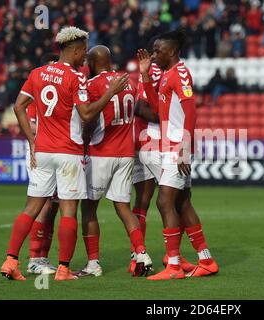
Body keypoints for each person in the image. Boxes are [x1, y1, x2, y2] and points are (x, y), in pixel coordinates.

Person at [0, 26, 129, 281]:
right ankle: (63, 269)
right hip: (68, 153)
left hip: (43, 150)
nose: (85, 59)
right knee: (68, 211)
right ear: (78, 50)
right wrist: (110, 92)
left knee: (31, 208)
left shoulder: (37, 73)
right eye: (84, 52)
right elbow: (87, 114)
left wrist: (31, 141)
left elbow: (18, 107)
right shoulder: (76, 77)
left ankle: (10, 261)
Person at [138, 29, 219, 280]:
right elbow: (155, 107)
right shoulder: (164, 76)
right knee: (182, 202)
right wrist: (145, 76)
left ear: (172, 51)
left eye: (158, 51)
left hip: (177, 146)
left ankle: (173, 266)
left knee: (164, 202)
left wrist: (184, 147)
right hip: (168, 145)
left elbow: (191, 112)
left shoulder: (180, 73)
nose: (154, 55)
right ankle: (206, 260)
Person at [75, 45, 153, 278]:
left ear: (90, 62)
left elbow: (88, 117)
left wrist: (85, 137)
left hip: (101, 152)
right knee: (123, 207)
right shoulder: (128, 81)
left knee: (89, 208)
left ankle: (93, 264)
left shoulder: (93, 85)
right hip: (126, 153)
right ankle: (141, 253)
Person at [131, 56, 195, 274]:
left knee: (144, 202)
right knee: (178, 202)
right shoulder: (157, 72)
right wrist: (166, 115)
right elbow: (143, 108)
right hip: (155, 144)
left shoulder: (152, 72)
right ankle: (172, 257)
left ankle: (139, 257)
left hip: (144, 142)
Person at [26, 52, 60, 275]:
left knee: (54, 207)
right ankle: (33, 259)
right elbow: (32, 127)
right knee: (43, 205)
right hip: (41, 152)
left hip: (57, 153)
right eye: (51, 68)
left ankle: (43, 258)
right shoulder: (35, 98)